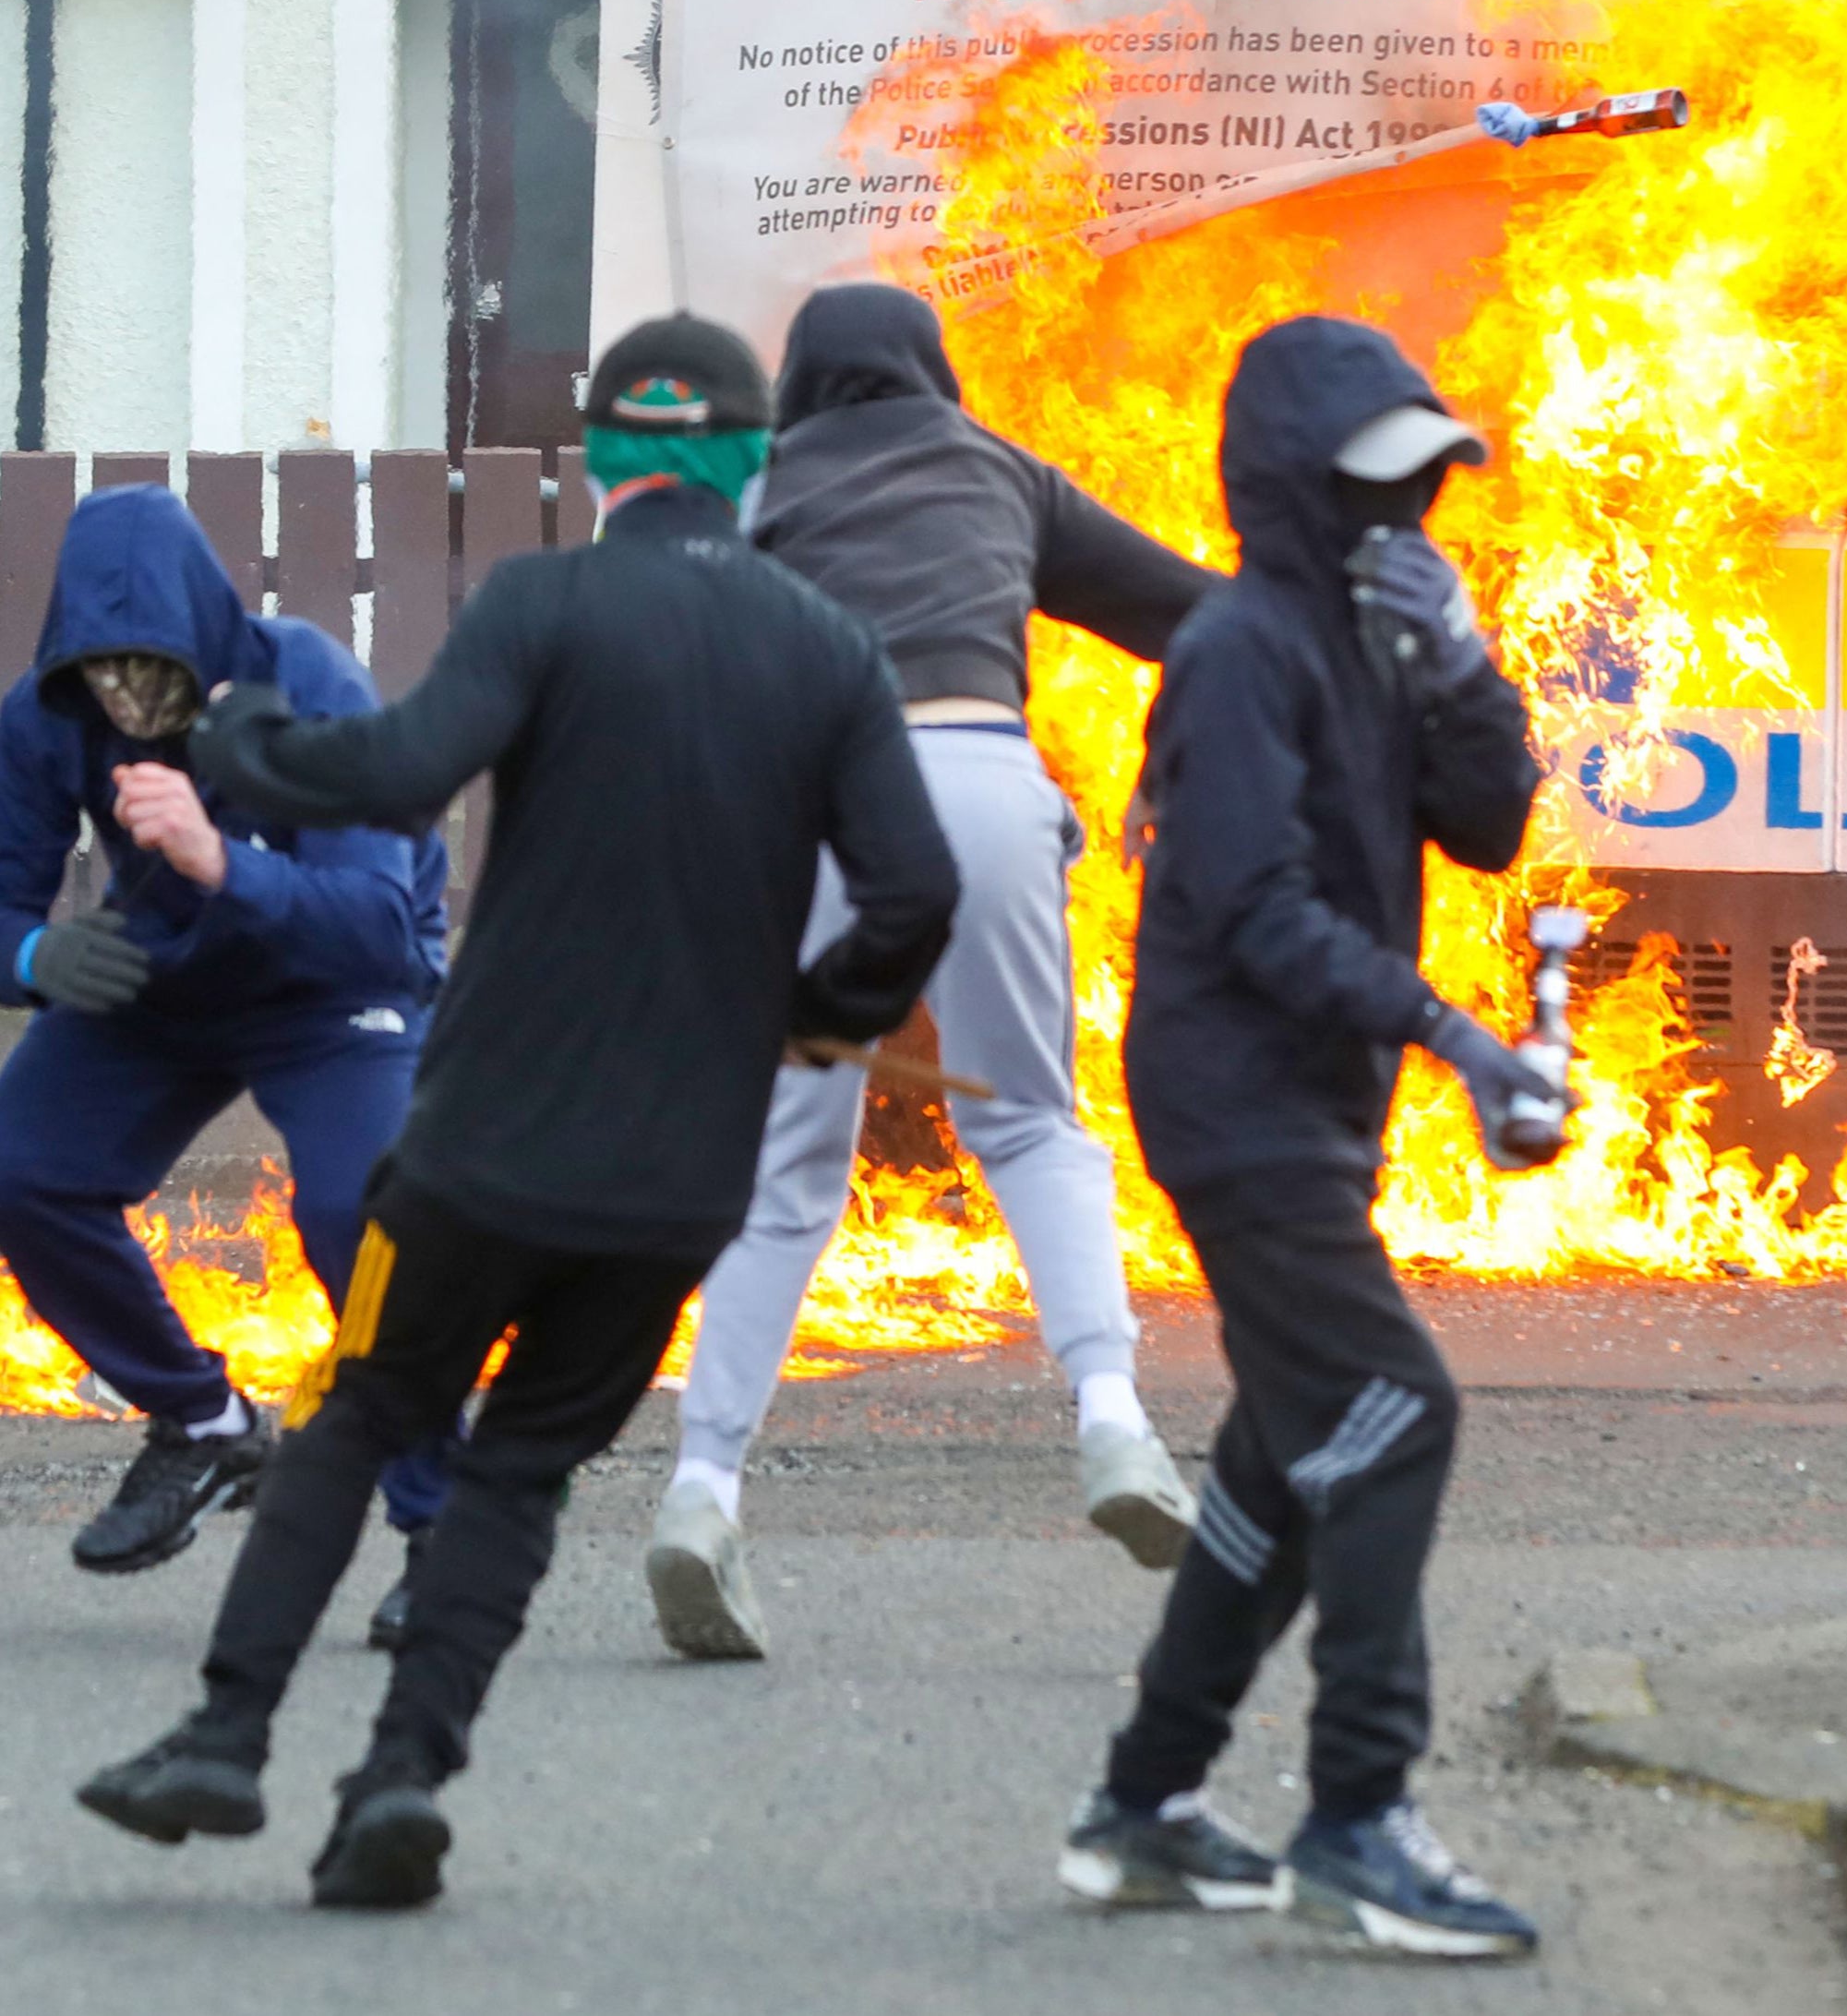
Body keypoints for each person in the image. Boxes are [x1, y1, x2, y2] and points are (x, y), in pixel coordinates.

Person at [77, 316, 959, 1911]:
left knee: (358, 1412)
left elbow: (400, 773)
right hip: (678, 1175)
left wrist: (234, 746)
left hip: (484, 1149)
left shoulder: (546, 600)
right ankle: (399, 1784)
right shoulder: (826, 644)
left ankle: (223, 1738)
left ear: (608, 460)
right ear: (751, 460)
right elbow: (914, 894)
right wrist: (818, 1019)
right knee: (513, 1478)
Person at [1058, 317, 1553, 1959]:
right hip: (1234, 1097)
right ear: (1290, 490)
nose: (1405, 522)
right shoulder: (1239, 648)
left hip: (1313, 1104)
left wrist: (1466, 665)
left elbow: (1483, 829)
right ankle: (1355, 1815)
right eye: (1376, 489)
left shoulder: (1372, 635)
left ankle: (1142, 1806)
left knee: (1284, 1458)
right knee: (1393, 1412)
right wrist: (1457, 1035)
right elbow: (1255, 913)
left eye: (1425, 491)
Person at [644, 282, 1219, 1663]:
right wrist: (1160, 776)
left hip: (816, 807)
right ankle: (1115, 1424)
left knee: (786, 1179)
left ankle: (700, 1491)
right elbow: (1202, 617)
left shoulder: (760, 479)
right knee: (1027, 1121)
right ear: (931, 371)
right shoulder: (997, 467)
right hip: (982, 777)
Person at [0, 485, 453, 1624]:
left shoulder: (308, 687)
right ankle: (203, 1422)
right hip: (169, 980)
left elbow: (379, 926)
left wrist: (218, 859)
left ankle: (442, 1524)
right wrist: (38, 953)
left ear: (202, 634)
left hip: (334, 984)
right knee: (24, 1170)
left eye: (146, 669)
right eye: (98, 675)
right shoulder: (45, 716)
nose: (123, 698)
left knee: (364, 1208)